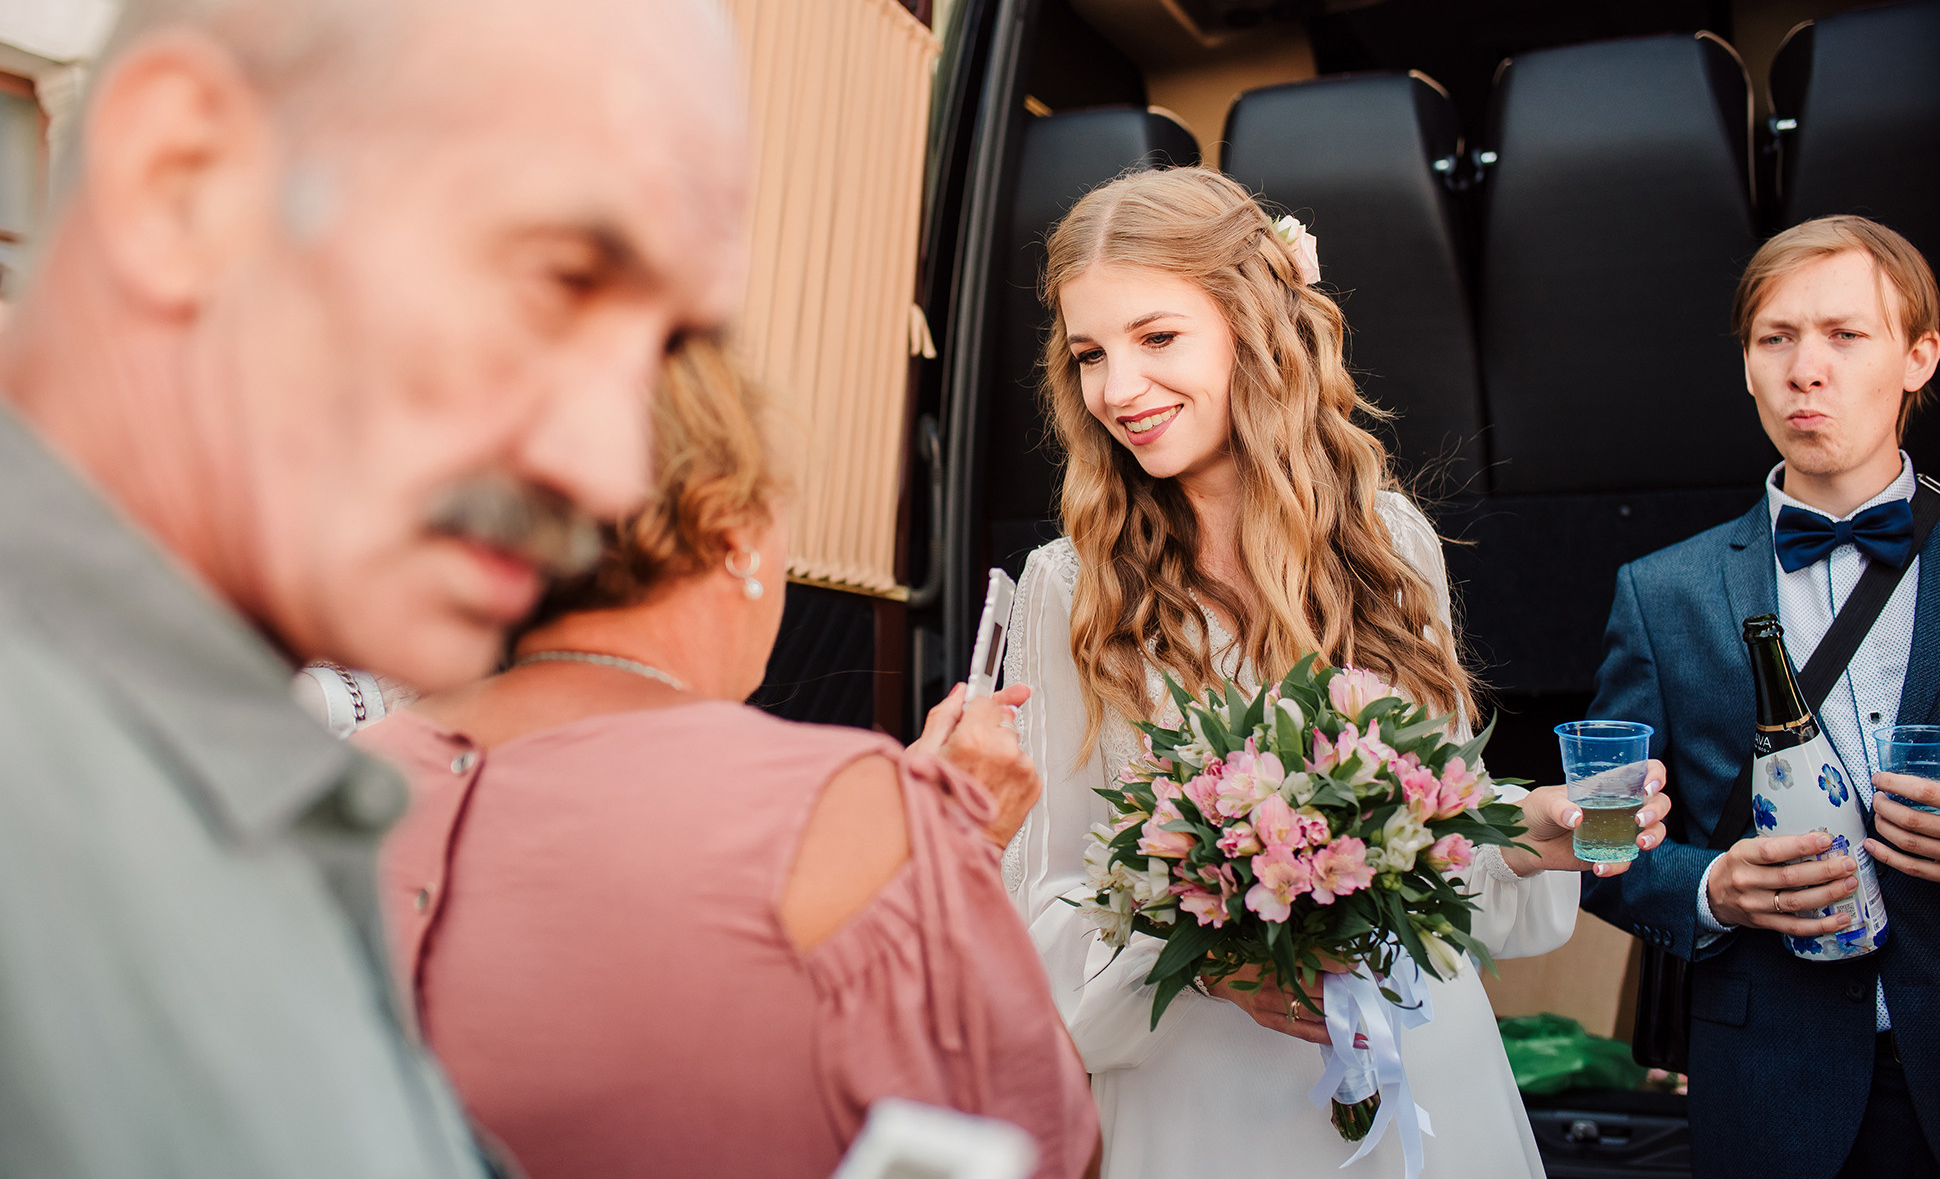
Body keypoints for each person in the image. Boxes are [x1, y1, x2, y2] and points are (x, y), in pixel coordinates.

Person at [0, 0, 746, 1173]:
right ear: (183, 183)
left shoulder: (237, 769)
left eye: (661, 348)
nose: (615, 471)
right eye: (557, 279)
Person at [1004, 165, 1671, 1179]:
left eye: (1156, 337)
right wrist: (1209, 964)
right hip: (1201, 1099)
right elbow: (1043, 887)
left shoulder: (1387, 538)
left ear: (1252, 325)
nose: (1118, 390)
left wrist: (1523, 833)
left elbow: (1427, 840)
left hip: (1415, 1067)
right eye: (1089, 353)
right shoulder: (1069, 587)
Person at [358, 336, 1101, 1179]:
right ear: (733, 532)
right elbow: (1043, 1142)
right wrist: (957, 840)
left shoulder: (356, 771)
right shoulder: (841, 808)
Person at [1583, 216, 1940, 1179]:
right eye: (1775, 338)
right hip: (1771, 1086)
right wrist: (1712, 889)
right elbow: (1599, 844)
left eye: (1845, 335)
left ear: (1918, 356)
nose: (1804, 369)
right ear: (1746, 367)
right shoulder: (1660, 593)